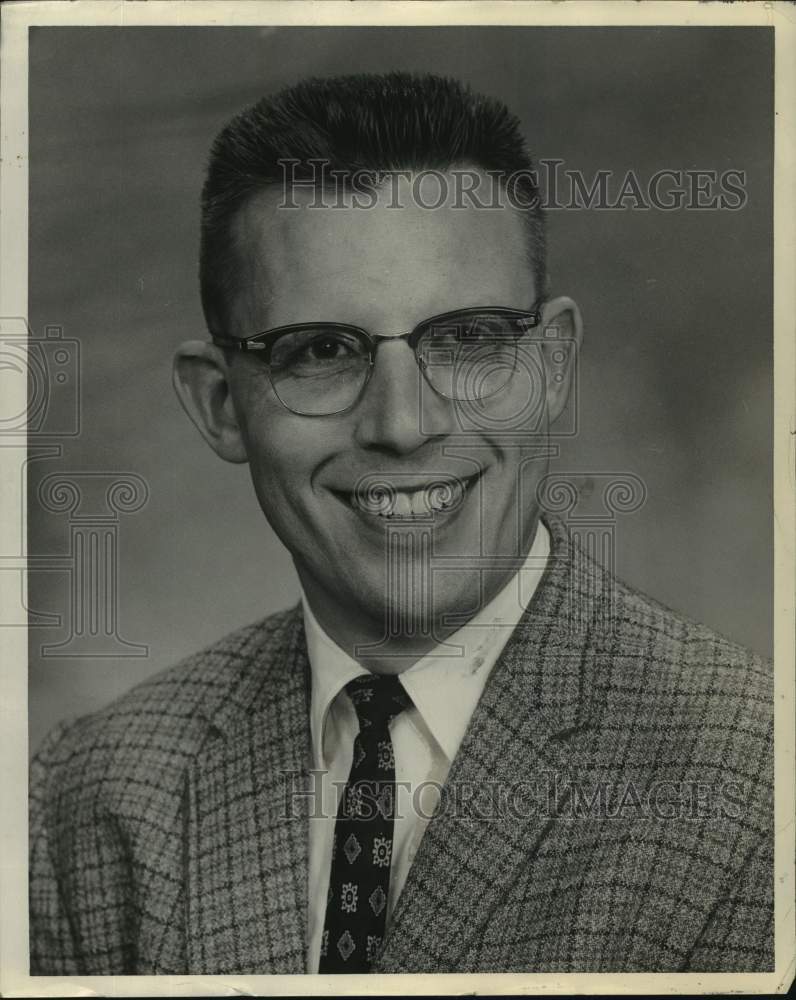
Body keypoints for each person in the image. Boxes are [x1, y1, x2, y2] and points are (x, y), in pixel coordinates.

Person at [29, 71, 773, 976]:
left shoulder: (759, 786)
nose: (402, 425)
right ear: (220, 404)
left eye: (465, 338)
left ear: (550, 366)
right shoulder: (92, 799)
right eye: (320, 350)